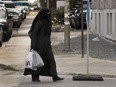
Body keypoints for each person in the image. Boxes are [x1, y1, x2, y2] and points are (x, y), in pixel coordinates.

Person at [24, 8, 64, 82]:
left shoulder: (48, 22)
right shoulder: (38, 22)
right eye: (47, 13)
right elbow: (34, 34)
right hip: (38, 45)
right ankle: (35, 77)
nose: (49, 15)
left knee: (51, 59)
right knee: (37, 61)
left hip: (47, 45)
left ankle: (54, 76)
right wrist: (33, 46)